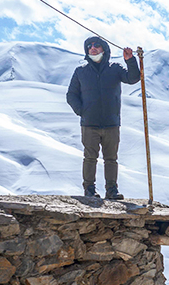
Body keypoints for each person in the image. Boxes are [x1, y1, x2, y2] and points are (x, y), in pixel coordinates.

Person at [67, 37, 141, 200]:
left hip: (111, 123)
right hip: (89, 124)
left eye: (96, 45)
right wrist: (82, 111)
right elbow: (71, 95)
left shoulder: (115, 69)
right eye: (89, 46)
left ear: (105, 49)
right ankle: (89, 189)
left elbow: (133, 78)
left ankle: (111, 190)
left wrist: (131, 61)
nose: (92, 48)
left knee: (111, 159)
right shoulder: (81, 72)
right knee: (90, 157)